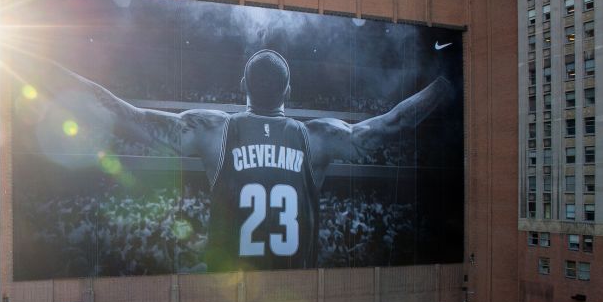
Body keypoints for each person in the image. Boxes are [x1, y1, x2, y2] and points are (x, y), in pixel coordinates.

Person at [31, 50, 453, 272]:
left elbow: (126, 116)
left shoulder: (214, 130)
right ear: (288, 92)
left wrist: (46, 69)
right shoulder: (318, 137)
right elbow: (390, 125)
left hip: (230, 294)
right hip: (297, 287)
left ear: (242, 87)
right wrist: (444, 82)